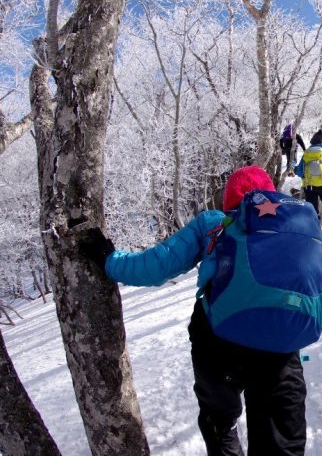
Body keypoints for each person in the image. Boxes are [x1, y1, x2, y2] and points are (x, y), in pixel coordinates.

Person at [80, 166, 309, 456]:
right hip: (279, 346)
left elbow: (156, 266)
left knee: (219, 423)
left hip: (219, 344)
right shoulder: (294, 224)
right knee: (281, 444)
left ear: (229, 201)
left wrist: (109, 260)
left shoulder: (214, 223)